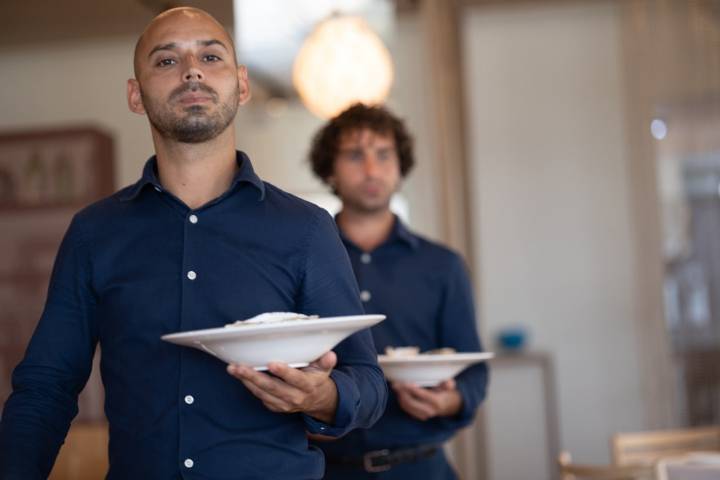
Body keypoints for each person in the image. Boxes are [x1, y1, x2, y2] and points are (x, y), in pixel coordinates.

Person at [0, 9, 387, 480]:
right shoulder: (93, 233)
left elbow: (368, 380)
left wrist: (322, 396)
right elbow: (46, 388)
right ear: (135, 95)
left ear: (241, 86)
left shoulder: (306, 228)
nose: (192, 70)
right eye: (166, 61)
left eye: (211, 55)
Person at [307, 104, 489, 479]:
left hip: (422, 467)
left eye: (384, 155)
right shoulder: (304, 261)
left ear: (400, 166)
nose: (372, 170)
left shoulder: (443, 265)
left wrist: (448, 400)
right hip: (328, 469)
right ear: (330, 169)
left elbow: (473, 370)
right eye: (355, 155)